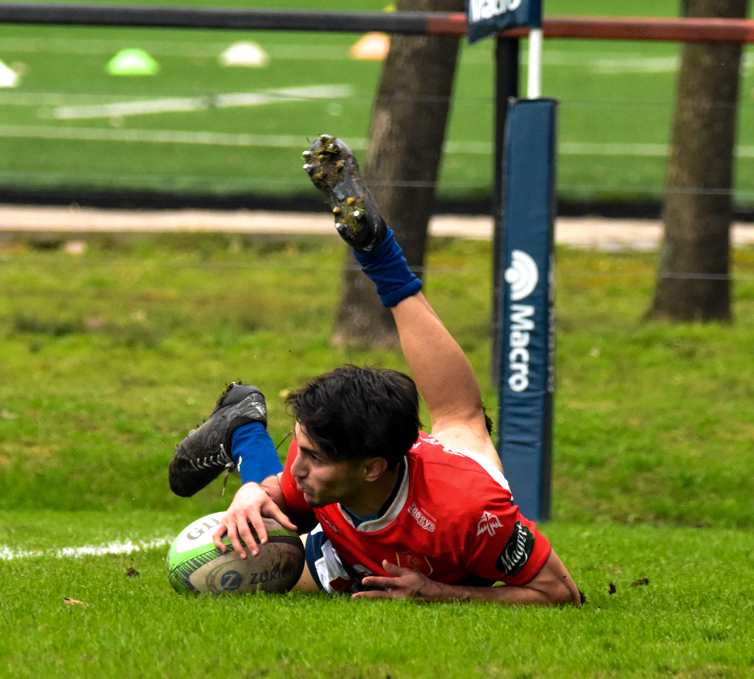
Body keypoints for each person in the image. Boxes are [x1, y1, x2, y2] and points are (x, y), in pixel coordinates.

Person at [166, 135, 583, 606]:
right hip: (347, 548)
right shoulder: (319, 468)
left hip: (431, 496)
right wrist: (250, 495)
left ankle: (244, 426)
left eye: (314, 457)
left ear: (371, 469)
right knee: (261, 531)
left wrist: (437, 593)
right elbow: (285, 492)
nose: (296, 466)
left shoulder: (470, 513)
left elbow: (562, 593)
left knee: (461, 421)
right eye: (300, 448)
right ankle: (247, 426)